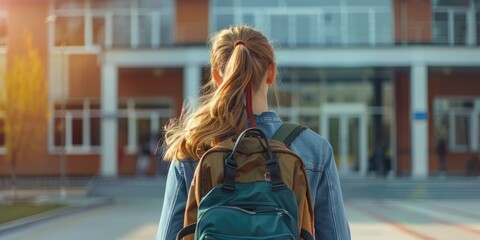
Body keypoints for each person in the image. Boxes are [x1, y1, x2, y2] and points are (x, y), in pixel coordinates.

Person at [156, 25, 351, 240]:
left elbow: (168, 235)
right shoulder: (315, 150)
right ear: (271, 72)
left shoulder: (193, 146)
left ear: (216, 76)